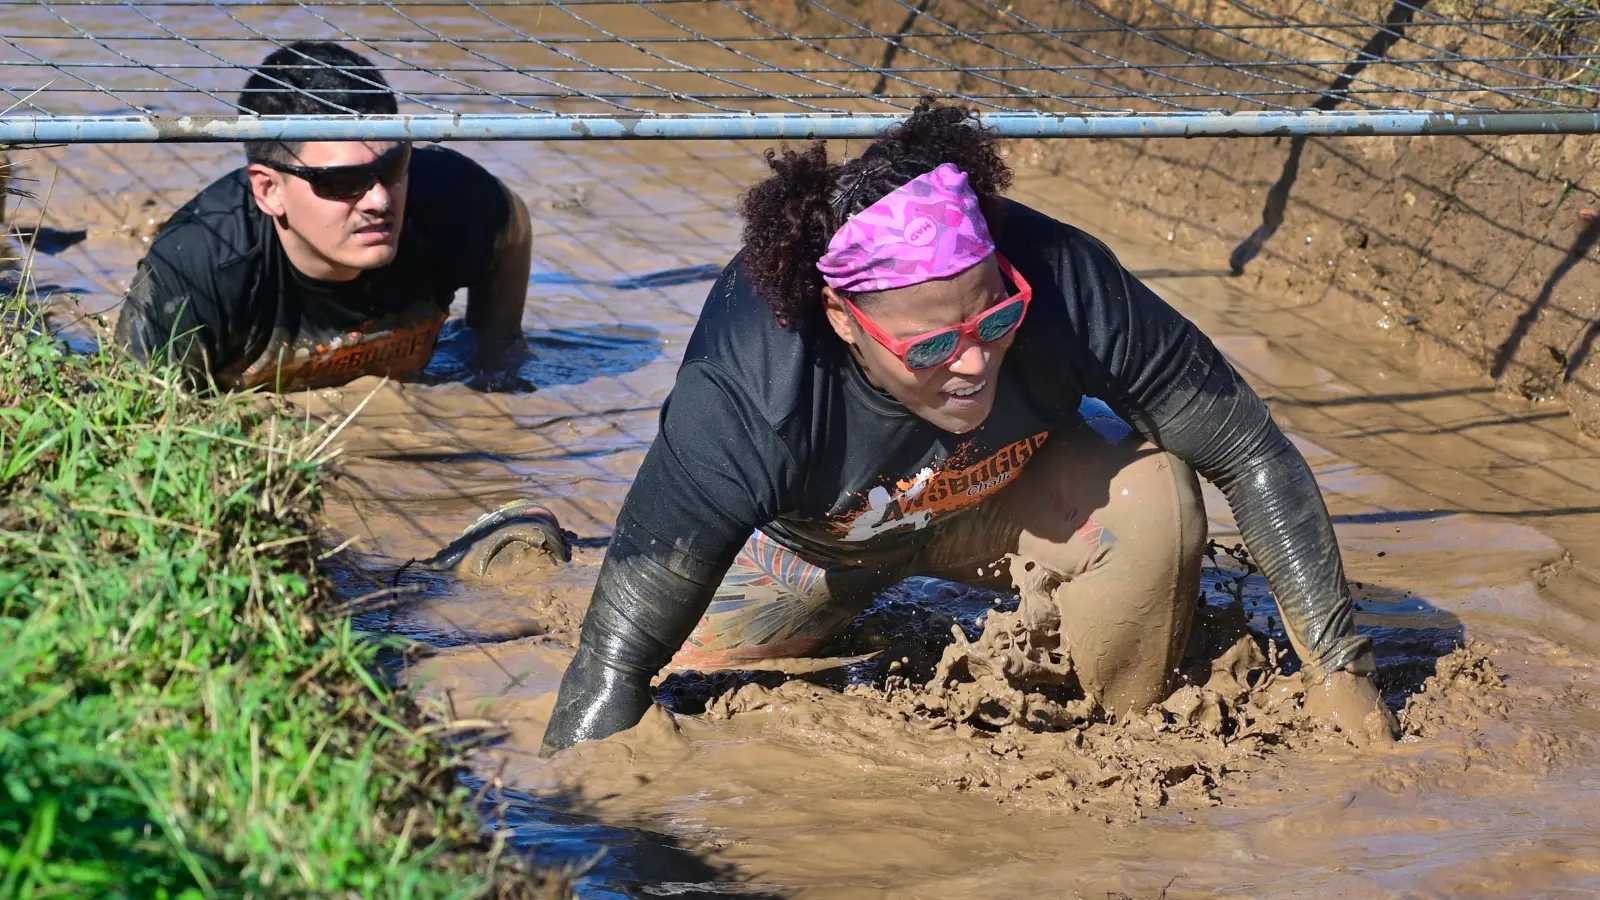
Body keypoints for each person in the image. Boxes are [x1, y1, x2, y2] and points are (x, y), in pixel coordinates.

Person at [539, 99, 1398, 754]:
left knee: (1157, 496)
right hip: (815, 548)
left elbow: (1249, 450)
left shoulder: (1063, 278)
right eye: (933, 344)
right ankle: (516, 550)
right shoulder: (747, 396)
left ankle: (1115, 744)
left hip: (1002, 497)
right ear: (844, 320)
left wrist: (1340, 671)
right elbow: (610, 675)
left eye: (994, 322)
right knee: (656, 651)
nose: (973, 362)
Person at [114, 41, 533, 392]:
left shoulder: (447, 198)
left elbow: (514, 225)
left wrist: (494, 355)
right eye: (342, 181)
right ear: (269, 190)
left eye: (392, 166)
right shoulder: (196, 270)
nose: (379, 200)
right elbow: (138, 416)